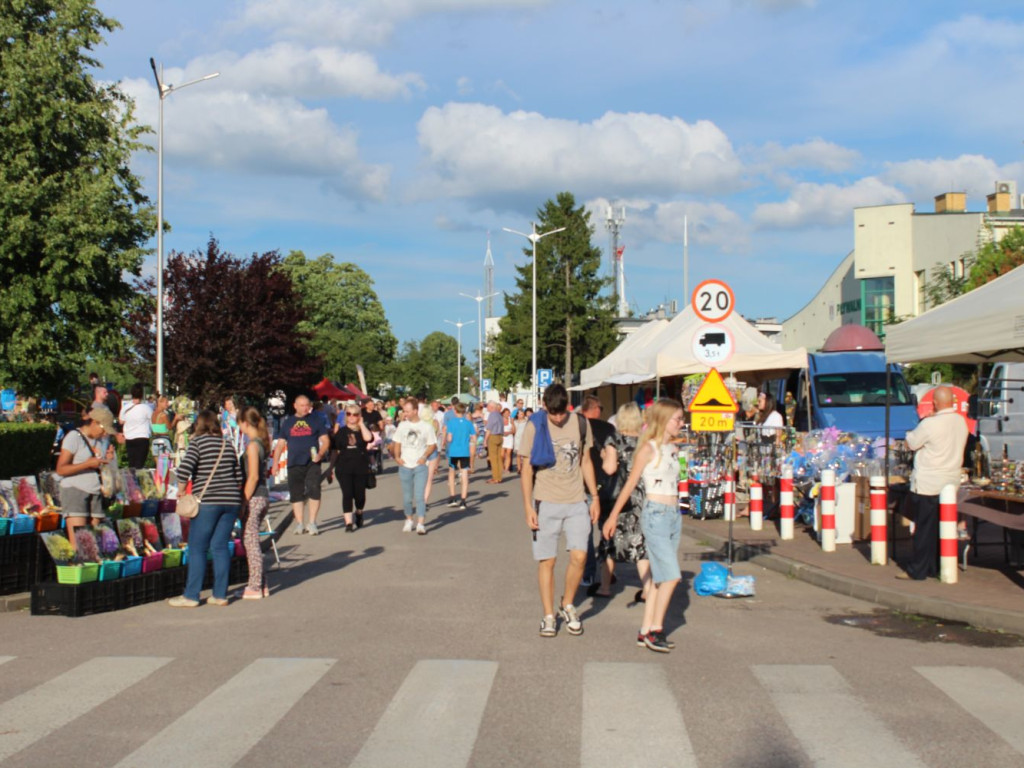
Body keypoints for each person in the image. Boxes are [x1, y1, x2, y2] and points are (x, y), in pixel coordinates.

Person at [603, 399, 685, 652]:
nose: (681, 423)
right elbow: (630, 484)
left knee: (660, 577)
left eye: (682, 419)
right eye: (677, 419)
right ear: (663, 420)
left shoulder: (673, 448)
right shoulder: (647, 449)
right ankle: (655, 631)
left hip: (673, 514)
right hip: (655, 513)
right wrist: (613, 516)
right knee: (672, 576)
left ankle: (645, 630)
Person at [519, 383, 600, 638]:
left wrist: (595, 497)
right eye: (553, 413)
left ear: (568, 406)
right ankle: (548, 615)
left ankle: (567, 603)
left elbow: (585, 460)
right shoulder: (535, 425)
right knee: (548, 560)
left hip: (577, 500)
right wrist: (528, 506)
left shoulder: (580, 423)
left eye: (561, 412)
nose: (557, 418)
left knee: (580, 556)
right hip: (546, 500)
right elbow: (526, 469)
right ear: (545, 406)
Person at [169, 410, 244, 607]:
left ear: (199, 425)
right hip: (231, 501)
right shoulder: (227, 445)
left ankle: (191, 595)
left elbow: (184, 470)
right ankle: (220, 594)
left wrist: (181, 492)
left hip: (208, 501)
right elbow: (238, 477)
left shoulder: (197, 443)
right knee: (220, 546)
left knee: (197, 547)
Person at [898, 386, 968, 581]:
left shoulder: (929, 424)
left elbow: (911, 443)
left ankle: (918, 569)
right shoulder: (960, 422)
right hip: (951, 481)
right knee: (942, 528)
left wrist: (925, 421)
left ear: (935, 403)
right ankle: (937, 565)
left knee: (924, 529)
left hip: (928, 482)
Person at [596, 403, 646, 599]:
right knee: (640, 543)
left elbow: (609, 468)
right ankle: (647, 589)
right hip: (640, 496)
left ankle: (605, 587)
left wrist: (604, 456)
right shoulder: (644, 441)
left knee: (609, 540)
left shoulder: (614, 439)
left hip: (617, 497)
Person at [55, 407, 117, 551]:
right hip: (75, 491)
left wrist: (108, 460)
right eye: (103, 429)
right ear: (94, 422)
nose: (105, 434)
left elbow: (99, 465)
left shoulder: (100, 441)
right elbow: (61, 469)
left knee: (94, 545)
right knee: (80, 544)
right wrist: (86, 464)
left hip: (95, 492)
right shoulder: (74, 437)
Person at [272, 395, 330, 536]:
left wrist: (321, 453)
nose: (305, 408)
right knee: (296, 493)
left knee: (314, 489)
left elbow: (325, 440)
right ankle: (299, 523)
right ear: (295, 406)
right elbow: (280, 444)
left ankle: (312, 522)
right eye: (302, 405)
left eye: (307, 405)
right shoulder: (288, 422)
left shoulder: (315, 421)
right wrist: (275, 464)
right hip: (294, 462)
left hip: (312, 462)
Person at [577, 395, 616, 592]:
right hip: (607, 484)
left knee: (585, 532)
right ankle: (607, 572)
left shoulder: (577, 427)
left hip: (584, 485)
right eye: (600, 407)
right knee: (607, 531)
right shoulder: (609, 428)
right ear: (595, 409)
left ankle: (589, 573)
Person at [238, 407, 271, 599]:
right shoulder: (261, 443)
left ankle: (255, 585)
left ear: (245, 423)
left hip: (255, 495)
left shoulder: (252, 446)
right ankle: (262, 583)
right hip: (263, 495)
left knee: (250, 541)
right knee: (253, 540)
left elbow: (253, 477)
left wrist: (244, 500)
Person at [391, 398, 437, 534]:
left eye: (407, 411)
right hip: (405, 465)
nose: (404, 414)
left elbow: (432, 444)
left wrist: (424, 456)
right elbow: (397, 442)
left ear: (415, 411)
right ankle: (409, 519)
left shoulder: (426, 427)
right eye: (404, 411)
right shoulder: (402, 425)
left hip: (420, 466)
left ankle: (421, 523)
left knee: (419, 496)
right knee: (407, 497)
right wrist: (397, 457)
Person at [330, 404, 373, 532]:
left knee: (360, 495)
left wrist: (361, 424)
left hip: (360, 466)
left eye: (355, 414)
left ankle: (359, 512)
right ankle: (348, 523)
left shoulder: (362, 430)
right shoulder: (341, 432)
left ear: (359, 416)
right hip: (343, 467)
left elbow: (368, 438)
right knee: (347, 494)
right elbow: (335, 450)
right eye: (349, 414)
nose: (352, 417)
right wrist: (330, 468)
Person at [445, 402, 476, 509]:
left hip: (454, 451)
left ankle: (453, 497)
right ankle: (463, 500)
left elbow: (449, 438)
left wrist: (447, 440)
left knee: (451, 473)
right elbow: (474, 437)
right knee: (464, 474)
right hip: (464, 451)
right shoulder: (468, 423)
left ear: (455, 411)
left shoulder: (451, 422)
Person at [118, 383, 153, 469]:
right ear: (142, 394)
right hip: (142, 437)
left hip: (129, 438)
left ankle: (132, 477)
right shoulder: (146, 408)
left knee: (132, 464)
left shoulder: (126, 408)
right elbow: (153, 421)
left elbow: (121, 421)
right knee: (140, 464)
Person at [485, 401, 504, 484]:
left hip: (493, 436)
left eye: (488, 406)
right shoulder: (499, 415)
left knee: (493, 458)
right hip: (500, 436)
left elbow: (489, 428)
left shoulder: (492, 415)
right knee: (499, 458)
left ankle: (495, 477)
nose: (487, 408)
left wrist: (485, 440)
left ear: (491, 407)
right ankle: (499, 477)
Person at [513, 407, 528, 473]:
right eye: (520, 414)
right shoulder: (515, 422)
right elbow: (514, 430)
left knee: (524, 454)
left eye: (522, 414)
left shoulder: (526, 421)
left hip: (524, 439)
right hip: (517, 439)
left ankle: (524, 467)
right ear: (517, 415)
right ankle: (519, 468)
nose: (521, 415)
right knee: (518, 454)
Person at [501, 408, 516, 473]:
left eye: (508, 413)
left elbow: (514, 430)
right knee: (501, 455)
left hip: (509, 437)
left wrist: (509, 432)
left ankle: (507, 468)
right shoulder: (500, 420)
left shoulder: (511, 420)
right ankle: (502, 467)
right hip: (502, 437)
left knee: (508, 454)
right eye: (505, 413)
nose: (507, 414)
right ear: (503, 413)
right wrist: (502, 433)